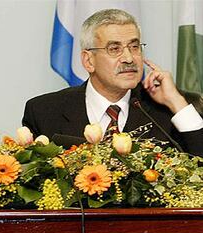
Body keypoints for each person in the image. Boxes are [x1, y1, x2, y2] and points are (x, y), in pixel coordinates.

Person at [22, 9, 203, 157]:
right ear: (88, 61)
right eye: (114, 49)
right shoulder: (43, 111)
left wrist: (176, 102)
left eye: (134, 47)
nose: (128, 58)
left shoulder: (166, 111)